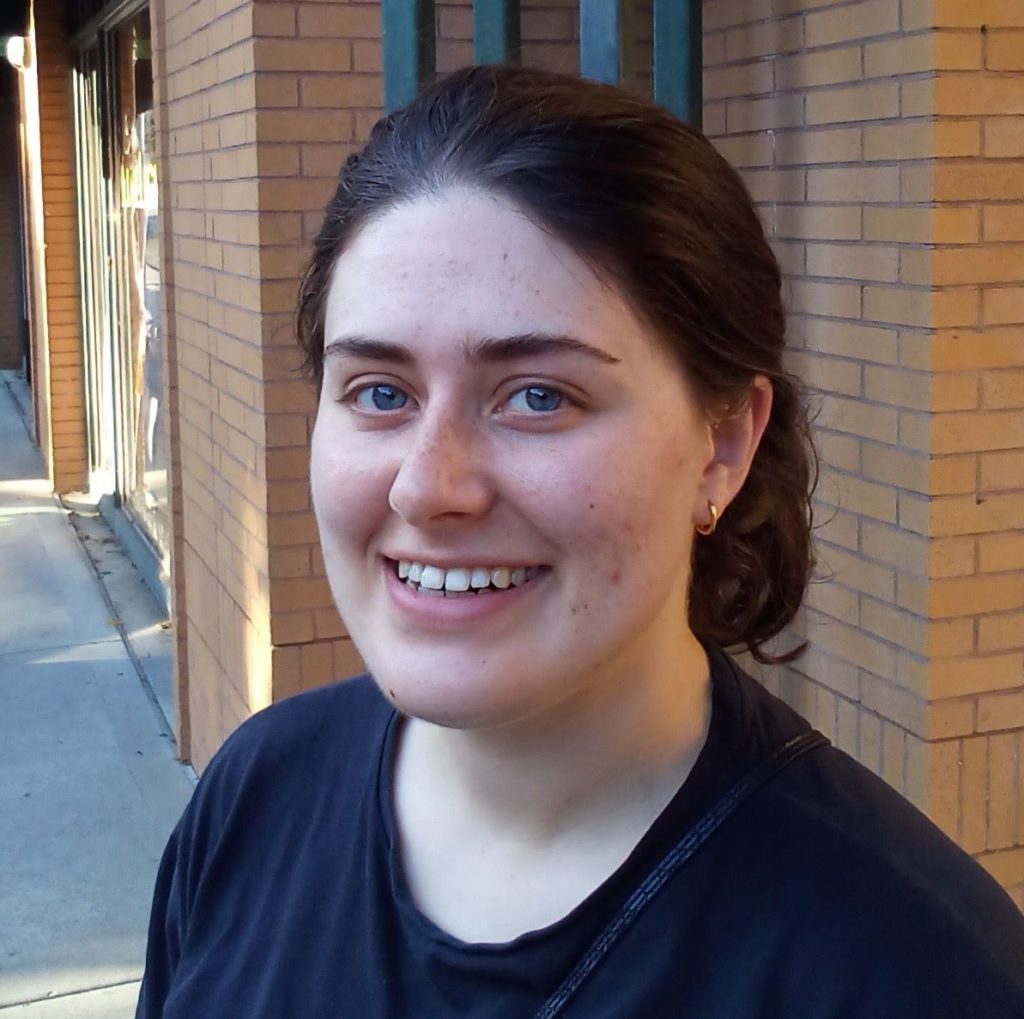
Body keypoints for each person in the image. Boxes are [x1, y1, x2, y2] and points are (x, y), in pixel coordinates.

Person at [136, 65, 1024, 1017]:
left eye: (539, 396)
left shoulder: (910, 968)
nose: (430, 486)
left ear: (723, 442)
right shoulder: (253, 800)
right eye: (380, 393)